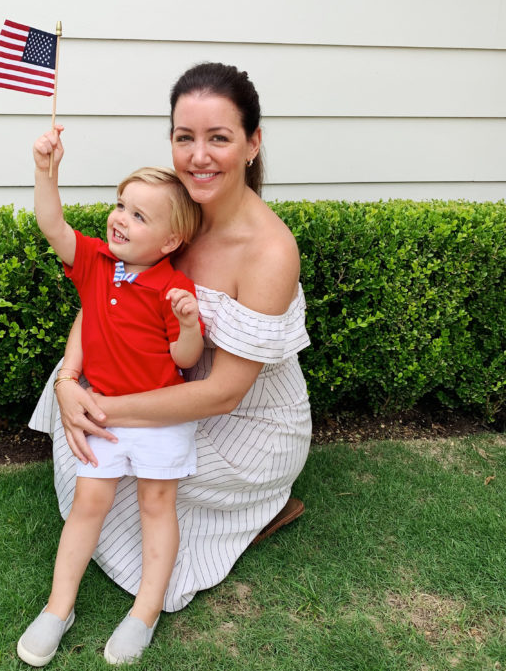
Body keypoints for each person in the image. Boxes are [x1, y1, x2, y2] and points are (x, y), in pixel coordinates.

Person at [29, 61, 311, 622]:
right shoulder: (173, 212)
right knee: (74, 397)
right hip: (168, 384)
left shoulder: (268, 252)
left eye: (219, 138)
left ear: (253, 143)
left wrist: (104, 409)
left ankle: (257, 508)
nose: (198, 155)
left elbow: (223, 394)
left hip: (245, 422)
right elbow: (107, 291)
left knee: (126, 465)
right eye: (185, 137)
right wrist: (66, 381)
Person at [18, 126, 204, 667]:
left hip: (161, 420)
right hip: (102, 412)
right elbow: (51, 224)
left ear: (170, 242)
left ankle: (144, 612)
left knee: (156, 505)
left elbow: (186, 362)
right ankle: (59, 607)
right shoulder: (98, 263)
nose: (120, 217)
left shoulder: (175, 288)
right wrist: (44, 169)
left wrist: (189, 324)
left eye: (139, 215)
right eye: (121, 205)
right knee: (88, 504)